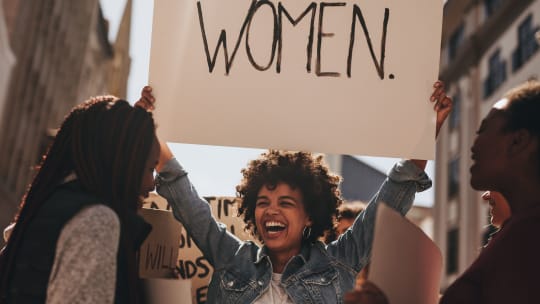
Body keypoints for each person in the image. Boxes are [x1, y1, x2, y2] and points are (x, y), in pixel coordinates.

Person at [142, 81, 451, 303]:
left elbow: (392, 198)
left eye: (285, 203)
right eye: (263, 202)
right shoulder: (232, 259)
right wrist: (149, 127)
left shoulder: (340, 261)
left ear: (308, 216)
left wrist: (426, 130)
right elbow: (185, 198)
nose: (271, 210)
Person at [351, 80, 540, 304]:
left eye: (484, 129)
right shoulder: (519, 233)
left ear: (518, 141)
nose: (473, 144)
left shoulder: (527, 239)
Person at [0, 96, 160, 304]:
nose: (152, 184)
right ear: (124, 161)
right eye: (150, 169)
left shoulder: (49, 210)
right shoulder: (96, 223)